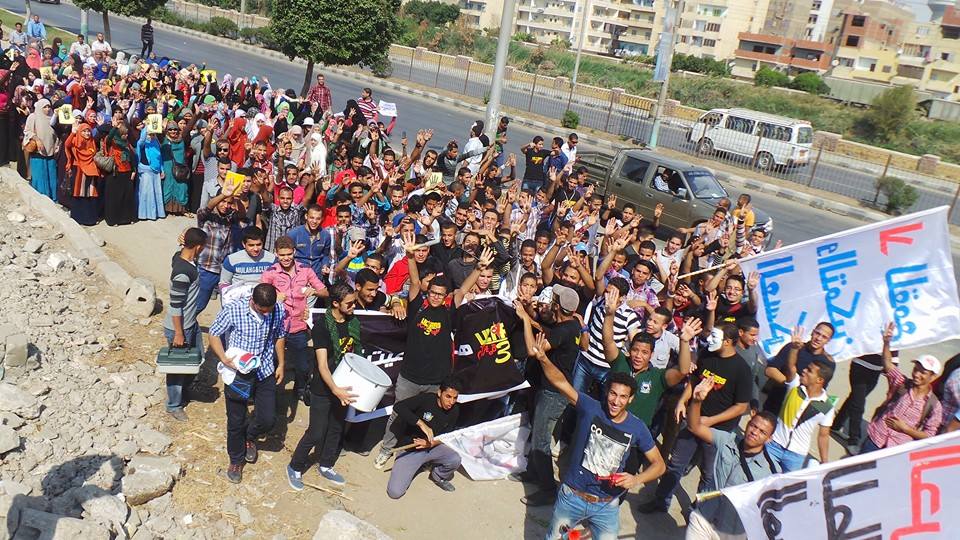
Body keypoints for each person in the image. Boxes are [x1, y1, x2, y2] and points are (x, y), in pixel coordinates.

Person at [530, 332, 665, 540]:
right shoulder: (590, 407)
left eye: (623, 397)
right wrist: (543, 359)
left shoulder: (637, 427)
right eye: (613, 394)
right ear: (606, 392)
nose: (616, 401)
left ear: (631, 399)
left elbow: (659, 465)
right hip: (572, 496)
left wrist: (636, 479)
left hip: (606, 507)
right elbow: (561, 382)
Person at [641, 323, 752, 514]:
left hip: (717, 431)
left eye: (714, 337)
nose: (709, 339)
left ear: (727, 342)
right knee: (675, 464)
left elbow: (741, 407)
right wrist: (682, 401)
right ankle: (661, 501)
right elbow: (694, 381)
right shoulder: (707, 354)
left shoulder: (742, 370)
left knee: (709, 475)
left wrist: (710, 421)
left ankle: (699, 511)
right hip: (692, 420)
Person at [208, 283, 288, 484]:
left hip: (265, 370)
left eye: (269, 310)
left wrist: (281, 364)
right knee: (235, 420)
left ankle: (249, 436)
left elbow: (279, 336)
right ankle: (236, 460)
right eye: (262, 310)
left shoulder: (277, 309)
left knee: (267, 419)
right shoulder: (234, 309)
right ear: (253, 301)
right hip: (239, 373)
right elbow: (214, 333)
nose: (266, 314)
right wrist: (223, 358)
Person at [511, 285, 583, 507]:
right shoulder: (572, 325)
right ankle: (534, 472)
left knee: (540, 440)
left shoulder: (563, 330)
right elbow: (552, 334)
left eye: (554, 300)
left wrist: (525, 319)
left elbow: (534, 350)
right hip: (554, 389)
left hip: (553, 392)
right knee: (538, 431)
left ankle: (548, 490)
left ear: (557, 307)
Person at [684, 378, 780, 540]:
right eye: (753, 426)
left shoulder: (771, 471)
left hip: (731, 533)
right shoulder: (727, 440)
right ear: (748, 424)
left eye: (762, 432)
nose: (755, 432)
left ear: (769, 439)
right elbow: (695, 427)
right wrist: (696, 401)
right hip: (703, 518)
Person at [287, 282, 357, 489]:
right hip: (323, 388)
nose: (353, 306)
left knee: (336, 428)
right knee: (316, 432)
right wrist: (335, 390)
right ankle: (295, 466)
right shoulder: (322, 327)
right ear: (335, 303)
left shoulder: (352, 321)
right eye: (349, 303)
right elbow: (322, 365)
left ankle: (325, 464)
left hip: (343, 385)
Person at [260, 236, 326, 403]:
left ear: (294, 252)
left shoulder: (306, 270)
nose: (286, 258)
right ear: (276, 253)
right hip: (276, 326)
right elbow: (260, 297)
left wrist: (314, 291)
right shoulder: (270, 273)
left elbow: (325, 292)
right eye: (282, 255)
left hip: (298, 325)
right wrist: (274, 297)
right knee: (271, 361)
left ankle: (300, 389)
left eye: (289, 254)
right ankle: (270, 392)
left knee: (303, 366)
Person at [861, 323, 942, 453]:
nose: (916, 374)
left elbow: (930, 435)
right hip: (875, 437)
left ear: (932, 377)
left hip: (897, 449)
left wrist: (906, 429)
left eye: (923, 372)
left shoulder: (934, 405)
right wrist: (886, 343)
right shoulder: (902, 383)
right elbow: (888, 364)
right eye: (915, 369)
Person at [766, 327, 835, 472]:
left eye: (824, 336)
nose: (803, 371)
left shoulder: (827, 404)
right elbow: (789, 368)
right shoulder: (795, 386)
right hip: (774, 442)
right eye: (817, 333)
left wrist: (825, 462)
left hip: (796, 455)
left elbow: (824, 434)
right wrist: (794, 349)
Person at [386, 378, 464, 498]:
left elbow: (446, 435)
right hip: (411, 449)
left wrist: (430, 444)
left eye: (455, 398)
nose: (451, 402)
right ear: (439, 393)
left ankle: (438, 476)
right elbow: (399, 407)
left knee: (455, 459)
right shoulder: (426, 399)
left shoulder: (455, 410)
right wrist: (421, 424)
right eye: (448, 396)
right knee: (395, 492)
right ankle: (417, 465)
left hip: (433, 447)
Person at [162, 228, 207, 422]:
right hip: (180, 328)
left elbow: (178, 251)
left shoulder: (180, 258)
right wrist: (179, 333)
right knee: (177, 368)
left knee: (197, 358)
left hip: (190, 323)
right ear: (198, 247)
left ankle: (186, 392)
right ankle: (174, 405)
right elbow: (175, 306)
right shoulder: (183, 272)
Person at [764, 322, 835, 414]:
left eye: (824, 337)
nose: (818, 338)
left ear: (828, 340)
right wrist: (791, 384)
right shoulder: (793, 347)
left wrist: (822, 414)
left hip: (798, 409)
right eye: (817, 333)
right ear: (812, 332)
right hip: (777, 400)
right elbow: (769, 370)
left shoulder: (828, 363)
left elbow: (821, 389)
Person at [22, 99, 58, 202]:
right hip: (38, 152)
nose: (47, 109)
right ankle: (41, 199)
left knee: (52, 175)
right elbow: (27, 131)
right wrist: (37, 140)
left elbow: (56, 134)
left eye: (49, 107)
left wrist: (57, 145)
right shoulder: (33, 117)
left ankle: (53, 198)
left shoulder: (52, 118)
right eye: (44, 107)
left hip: (51, 150)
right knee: (40, 175)